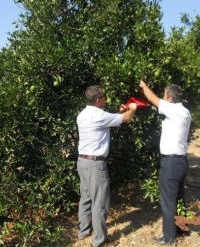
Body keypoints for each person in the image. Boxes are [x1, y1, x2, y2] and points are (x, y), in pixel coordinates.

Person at [76, 85, 137, 247]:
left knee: (86, 198)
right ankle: (100, 241)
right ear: (97, 100)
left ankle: (83, 232)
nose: (106, 99)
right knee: (100, 203)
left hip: (82, 162)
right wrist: (133, 108)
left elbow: (108, 119)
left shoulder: (82, 115)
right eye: (104, 97)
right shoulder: (99, 116)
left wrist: (119, 111)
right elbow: (126, 119)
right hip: (95, 165)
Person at [139, 80, 191, 245]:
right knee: (179, 198)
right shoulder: (185, 111)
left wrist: (143, 85)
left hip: (171, 163)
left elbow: (151, 98)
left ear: (169, 97)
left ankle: (169, 239)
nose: (162, 97)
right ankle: (181, 230)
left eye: (164, 95)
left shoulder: (173, 109)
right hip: (182, 161)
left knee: (168, 201)